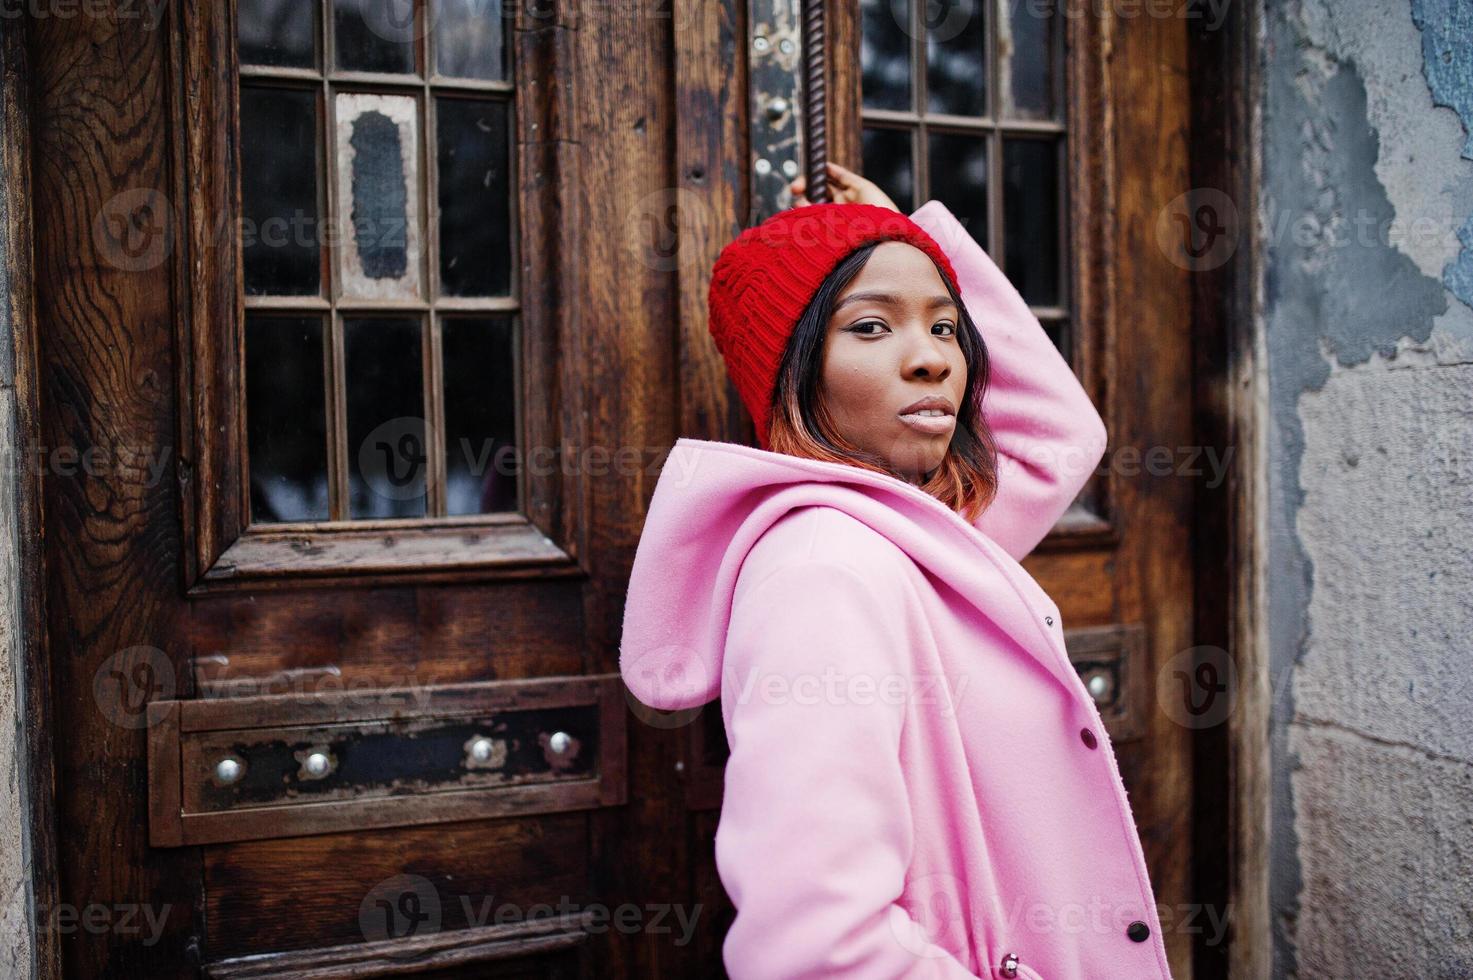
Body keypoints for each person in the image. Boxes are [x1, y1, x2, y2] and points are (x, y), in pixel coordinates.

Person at [619, 162, 1172, 979]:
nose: (932, 361)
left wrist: (917, 239)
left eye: (946, 330)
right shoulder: (825, 571)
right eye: (871, 327)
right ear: (792, 369)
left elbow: (1057, 435)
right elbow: (814, 948)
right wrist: (916, 262)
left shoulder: (924, 531)